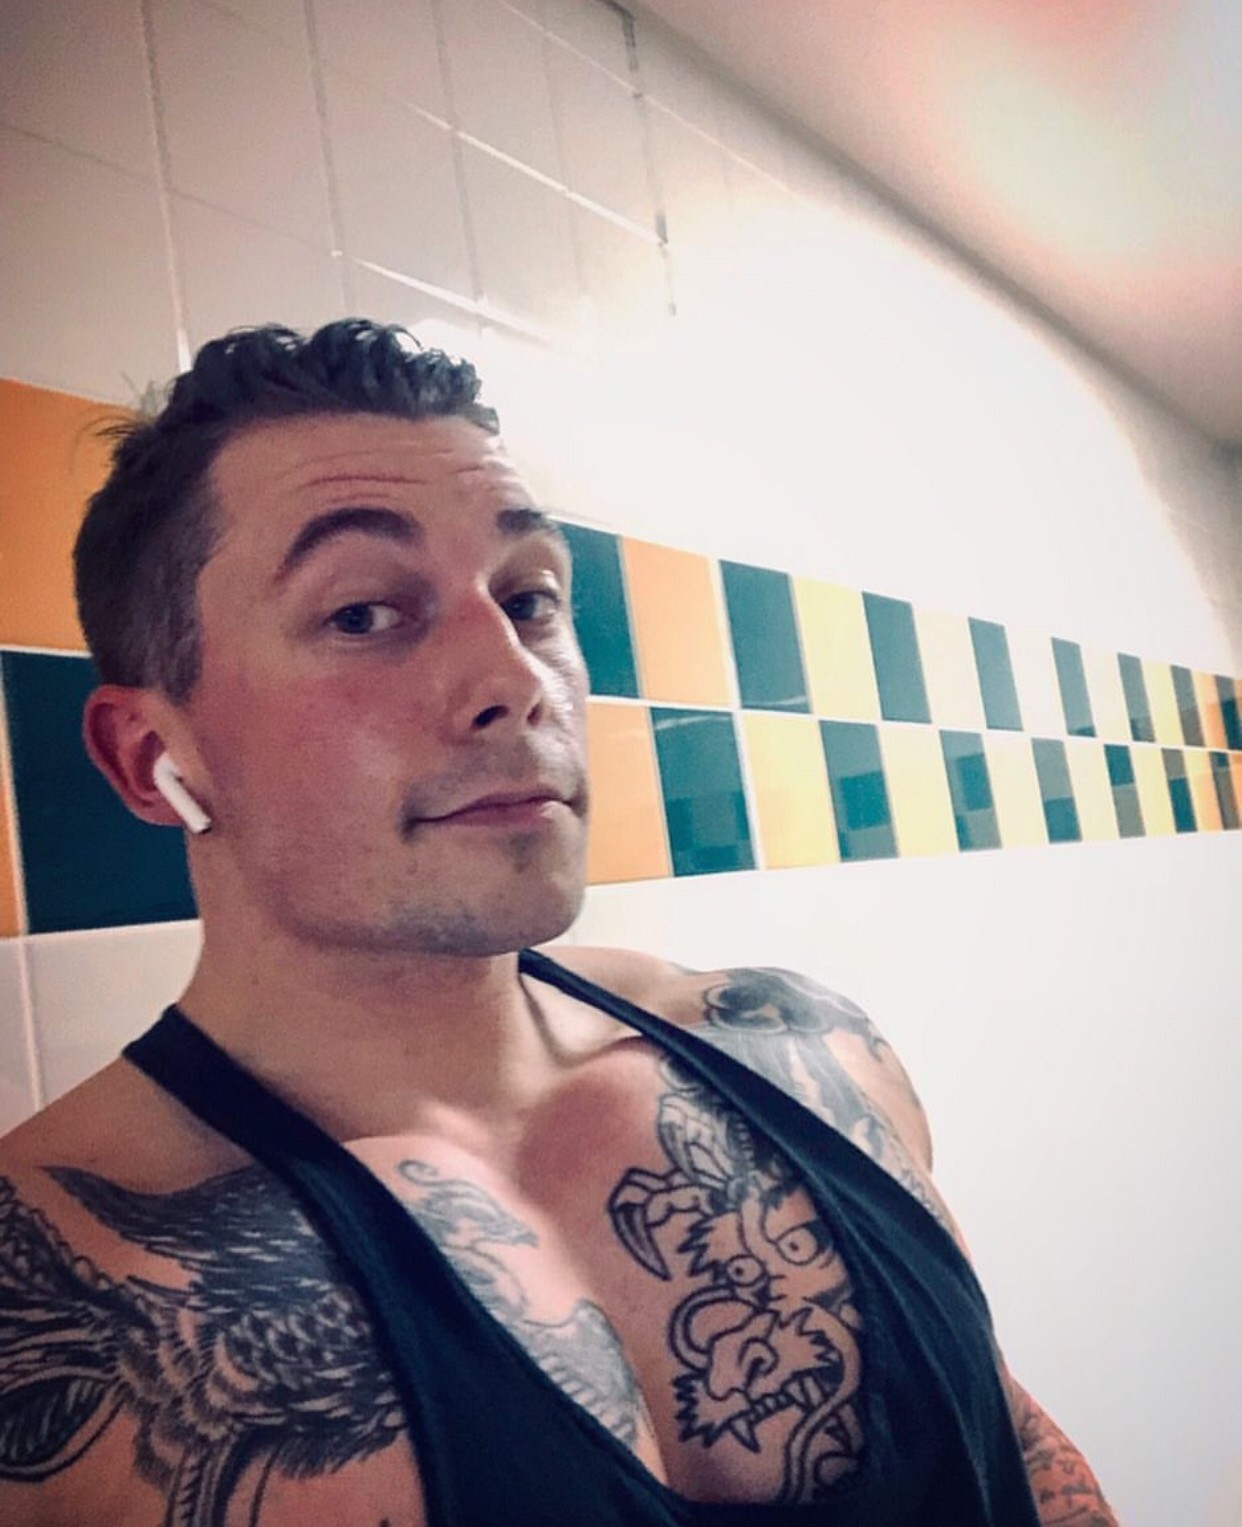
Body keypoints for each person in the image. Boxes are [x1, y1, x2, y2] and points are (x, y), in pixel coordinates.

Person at [0, 321, 1118, 1527]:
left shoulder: (802, 1052)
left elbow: (1010, 1441)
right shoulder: (56, 1289)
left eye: (529, 597)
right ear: (152, 756)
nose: (516, 679)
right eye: (364, 614)